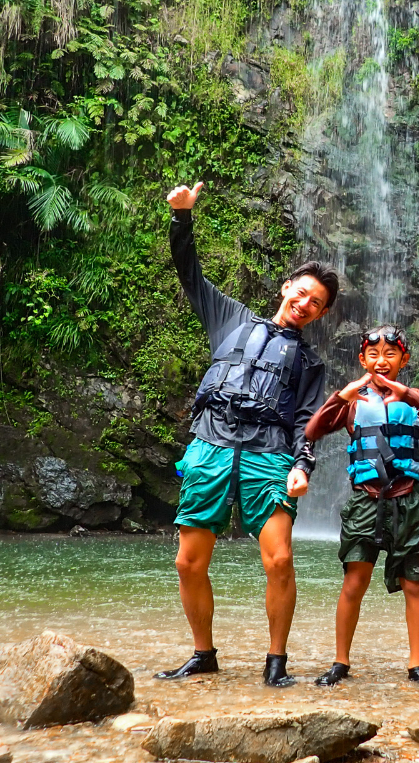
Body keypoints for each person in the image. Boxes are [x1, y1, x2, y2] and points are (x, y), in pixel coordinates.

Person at [159, 180, 338, 687]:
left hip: (269, 456)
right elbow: (189, 273)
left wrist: (302, 465)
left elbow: (307, 421)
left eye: (316, 302)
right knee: (188, 562)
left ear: (321, 314)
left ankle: (276, 661)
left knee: (279, 559)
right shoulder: (231, 320)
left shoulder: (309, 362)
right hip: (211, 446)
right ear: (286, 287)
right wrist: (181, 217)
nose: (304, 303)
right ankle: (203, 654)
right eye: (301, 292)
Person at [304, 324, 419, 690]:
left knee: (414, 581)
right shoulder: (353, 402)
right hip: (365, 501)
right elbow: (312, 430)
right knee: (354, 580)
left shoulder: (413, 399)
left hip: (408, 500)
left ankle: (416, 666)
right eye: (373, 354)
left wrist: (408, 394)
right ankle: (341, 661)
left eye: (390, 354)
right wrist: (340, 397)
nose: (381, 361)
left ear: (404, 359)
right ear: (362, 359)